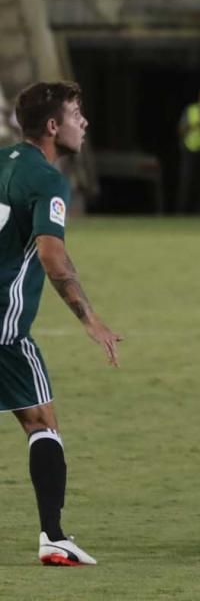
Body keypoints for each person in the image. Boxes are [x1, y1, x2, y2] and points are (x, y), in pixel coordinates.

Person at [1, 82, 123, 566]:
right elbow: (53, 257)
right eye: (77, 114)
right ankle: (53, 537)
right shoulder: (48, 181)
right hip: (3, 329)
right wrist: (90, 319)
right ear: (53, 127)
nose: (84, 122)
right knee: (41, 422)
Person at [176, 89, 200, 214]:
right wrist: (193, 125)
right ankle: (181, 211)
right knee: (186, 181)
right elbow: (181, 130)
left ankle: (199, 211)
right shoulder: (191, 110)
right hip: (189, 150)